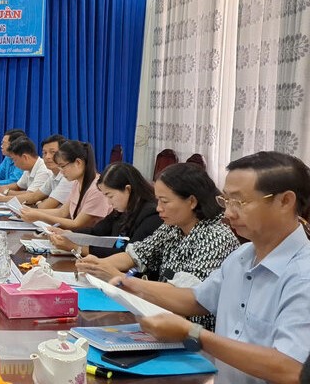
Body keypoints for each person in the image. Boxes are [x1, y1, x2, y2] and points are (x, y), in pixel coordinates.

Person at [114, 152, 310, 384]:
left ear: (285, 201)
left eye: (239, 202)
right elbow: (198, 300)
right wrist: (132, 286)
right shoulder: (242, 255)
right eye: (225, 201)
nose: (228, 213)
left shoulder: (302, 274)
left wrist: (194, 334)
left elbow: (291, 368)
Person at [77, 162, 239, 330]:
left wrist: (122, 279)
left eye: (164, 201)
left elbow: (188, 298)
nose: (159, 208)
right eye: (158, 200)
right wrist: (97, 266)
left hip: (193, 333)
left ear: (191, 201)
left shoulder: (216, 236)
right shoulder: (173, 227)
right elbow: (137, 254)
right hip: (162, 317)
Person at [49, 162, 162, 258]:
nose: (109, 202)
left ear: (127, 189)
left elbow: (128, 255)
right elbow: (97, 232)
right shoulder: (122, 209)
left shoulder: (151, 215)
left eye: (110, 196)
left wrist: (76, 247)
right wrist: (69, 234)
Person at [20, 140, 112, 230]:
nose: (61, 171)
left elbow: (77, 224)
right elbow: (62, 212)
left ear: (78, 162)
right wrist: (30, 212)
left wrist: (38, 216)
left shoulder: (97, 189)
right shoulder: (77, 182)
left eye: (63, 166)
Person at [0, 136, 52, 204]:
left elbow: (30, 196)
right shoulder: (28, 168)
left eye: (14, 160)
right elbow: (18, 186)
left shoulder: (44, 170)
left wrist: (5, 194)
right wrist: (1, 188)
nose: (14, 164)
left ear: (25, 157)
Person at [26, 134, 75, 209]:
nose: (47, 157)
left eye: (53, 152)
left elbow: (45, 206)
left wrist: (38, 203)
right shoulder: (53, 176)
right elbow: (34, 196)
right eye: (44, 153)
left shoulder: (69, 177)